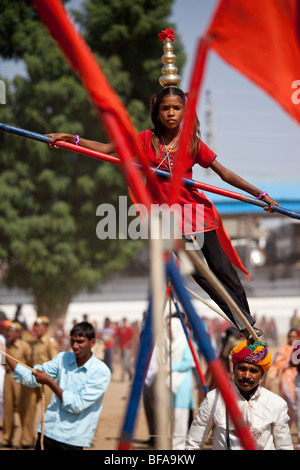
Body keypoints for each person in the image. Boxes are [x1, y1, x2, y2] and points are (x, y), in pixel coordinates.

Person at [46, 29, 279, 340]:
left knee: (223, 270)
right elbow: (104, 148)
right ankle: (240, 322)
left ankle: (247, 318)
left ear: (184, 112)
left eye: (177, 108)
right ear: (157, 111)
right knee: (201, 275)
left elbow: (225, 174)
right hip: (170, 219)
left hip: (198, 215)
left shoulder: (191, 143)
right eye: (166, 108)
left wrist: (261, 195)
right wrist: (70, 139)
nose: (171, 113)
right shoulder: (143, 140)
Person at [3, 321, 111, 450]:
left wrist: (49, 382)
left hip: (72, 438)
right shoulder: (63, 358)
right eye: (73, 341)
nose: (75, 346)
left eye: (80, 342)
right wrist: (5, 352)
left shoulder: (101, 371)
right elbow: (30, 376)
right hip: (48, 432)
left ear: (92, 342)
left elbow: (77, 405)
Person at [185, 340, 294, 450]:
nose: (247, 375)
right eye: (242, 369)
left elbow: (284, 446)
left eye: (253, 371)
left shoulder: (276, 403)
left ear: (262, 374)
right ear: (234, 369)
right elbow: (193, 444)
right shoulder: (214, 399)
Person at [20, 316, 59, 448]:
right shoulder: (35, 343)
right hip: (33, 380)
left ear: (45, 328)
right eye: (35, 326)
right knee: (28, 410)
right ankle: (26, 441)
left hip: (46, 382)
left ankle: (45, 440)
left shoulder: (50, 342)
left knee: (46, 412)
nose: (36, 329)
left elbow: (55, 362)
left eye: (39, 326)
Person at [165, 315, 195, 450]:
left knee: (180, 418)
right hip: (170, 383)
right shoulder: (169, 344)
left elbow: (187, 362)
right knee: (172, 417)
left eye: (170, 326)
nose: (168, 329)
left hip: (182, 384)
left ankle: (179, 448)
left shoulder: (186, 342)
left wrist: (170, 367)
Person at [2, 321, 32, 449]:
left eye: (11, 331)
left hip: (20, 379)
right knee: (7, 409)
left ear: (18, 333)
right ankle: (6, 438)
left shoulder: (25, 346)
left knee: (23, 409)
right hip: (8, 377)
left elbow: (30, 363)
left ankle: (26, 440)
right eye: (7, 331)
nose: (8, 333)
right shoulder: (5, 346)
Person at [266, 328, 299, 429]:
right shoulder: (283, 350)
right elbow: (276, 366)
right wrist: (269, 380)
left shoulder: (298, 348)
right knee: (292, 405)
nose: (292, 339)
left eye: (294, 336)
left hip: (297, 378)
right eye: (290, 336)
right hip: (287, 379)